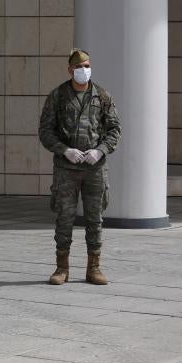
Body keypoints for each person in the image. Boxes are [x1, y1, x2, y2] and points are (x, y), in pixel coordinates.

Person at [39, 48, 121, 285]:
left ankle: (93, 268)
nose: (84, 71)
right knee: (64, 217)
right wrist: (65, 150)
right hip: (66, 169)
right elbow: (45, 131)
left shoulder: (102, 96)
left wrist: (100, 151)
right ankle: (61, 268)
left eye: (87, 66)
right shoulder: (58, 96)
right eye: (79, 67)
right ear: (70, 70)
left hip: (95, 168)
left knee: (95, 219)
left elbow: (115, 129)